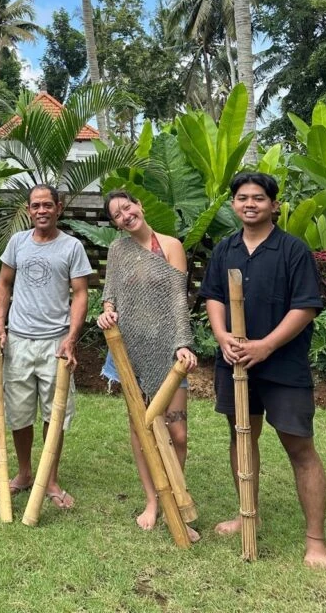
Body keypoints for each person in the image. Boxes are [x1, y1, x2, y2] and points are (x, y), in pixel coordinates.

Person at [200, 171, 326, 570]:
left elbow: (305, 307)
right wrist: (222, 335)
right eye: (242, 198)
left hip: (283, 366)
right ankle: (247, 516)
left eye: (258, 198)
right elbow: (213, 296)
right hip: (235, 362)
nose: (250, 204)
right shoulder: (225, 250)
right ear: (233, 204)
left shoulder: (293, 250)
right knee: (242, 437)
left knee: (299, 447)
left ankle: (316, 539)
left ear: (274, 205)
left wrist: (266, 345)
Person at [97, 190, 198, 538]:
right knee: (142, 431)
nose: (125, 215)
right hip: (128, 349)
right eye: (117, 215)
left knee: (177, 432)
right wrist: (107, 312)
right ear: (115, 224)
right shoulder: (118, 250)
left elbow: (178, 299)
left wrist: (183, 343)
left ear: (139, 205)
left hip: (167, 347)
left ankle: (177, 503)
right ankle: (153, 501)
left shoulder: (171, 246)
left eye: (127, 207)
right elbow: (110, 295)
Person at [0, 184, 91, 510]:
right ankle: (25, 473)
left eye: (47, 205)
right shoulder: (17, 242)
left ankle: (50, 479)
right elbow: (3, 284)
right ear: (29, 210)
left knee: (54, 413)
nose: (41, 211)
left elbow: (80, 294)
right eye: (36, 205)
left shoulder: (72, 247)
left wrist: (71, 338)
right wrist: (0, 325)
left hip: (55, 344)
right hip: (18, 341)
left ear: (59, 207)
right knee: (19, 413)